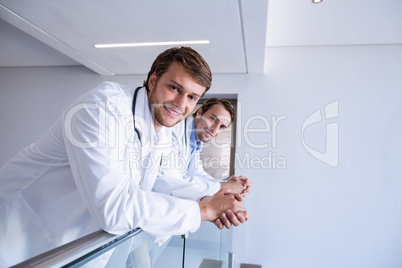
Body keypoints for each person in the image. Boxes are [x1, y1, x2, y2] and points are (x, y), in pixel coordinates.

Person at [0, 47, 248, 267]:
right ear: (153, 81)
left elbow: (158, 183)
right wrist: (203, 210)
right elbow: (114, 209)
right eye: (174, 88)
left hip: (68, 245)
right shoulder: (101, 108)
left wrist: (209, 199)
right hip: (17, 234)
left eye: (192, 97)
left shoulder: (159, 129)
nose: (181, 104)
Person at [157, 98, 252, 198]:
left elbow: (197, 173)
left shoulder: (196, 142)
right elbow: (171, 179)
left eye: (222, 127)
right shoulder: (173, 132)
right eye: (213, 119)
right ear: (199, 113)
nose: (215, 129)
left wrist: (227, 183)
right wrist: (226, 187)